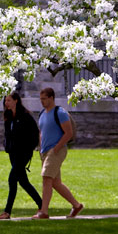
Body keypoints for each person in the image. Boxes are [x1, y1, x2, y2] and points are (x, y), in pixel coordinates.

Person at [34, 87, 84, 219]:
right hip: (44, 151)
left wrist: (56, 148)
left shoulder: (60, 113)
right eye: (41, 99)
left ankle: (43, 212)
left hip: (56, 150)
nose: (42, 102)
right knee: (55, 183)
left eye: (44, 99)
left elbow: (69, 133)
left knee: (46, 178)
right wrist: (40, 148)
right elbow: (42, 132)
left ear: (51, 98)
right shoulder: (42, 114)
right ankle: (76, 205)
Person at [0, 92, 42, 220]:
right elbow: (7, 134)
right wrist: (7, 146)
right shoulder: (8, 116)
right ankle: (42, 206)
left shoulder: (25, 116)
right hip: (13, 153)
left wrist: (29, 148)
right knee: (23, 182)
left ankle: (7, 212)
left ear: (16, 101)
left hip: (24, 153)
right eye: (5, 101)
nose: (6, 103)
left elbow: (35, 133)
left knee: (12, 179)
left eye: (9, 100)